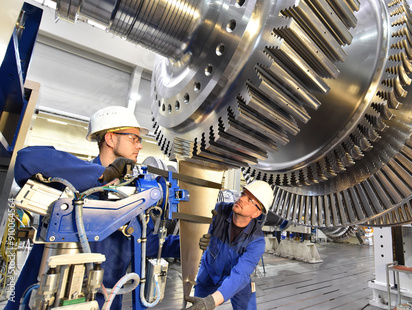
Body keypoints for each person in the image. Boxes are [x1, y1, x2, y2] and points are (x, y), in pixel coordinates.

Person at [7, 106, 179, 310]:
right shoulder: (71, 180)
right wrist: (101, 175)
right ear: (110, 139)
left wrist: (194, 242)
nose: (140, 146)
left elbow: (147, 244)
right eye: (134, 138)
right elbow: (26, 160)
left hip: (102, 303)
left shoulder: (133, 196)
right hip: (48, 299)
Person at [185, 181, 274, 310]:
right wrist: (198, 238)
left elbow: (240, 274)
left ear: (256, 213)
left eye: (249, 200)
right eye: (243, 194)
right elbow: (195, 233)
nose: (241, 199)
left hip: (236, 279)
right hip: (209, 273)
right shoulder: (218, 212)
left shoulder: (256, 241)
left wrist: (211, 302)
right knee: (198, 306)